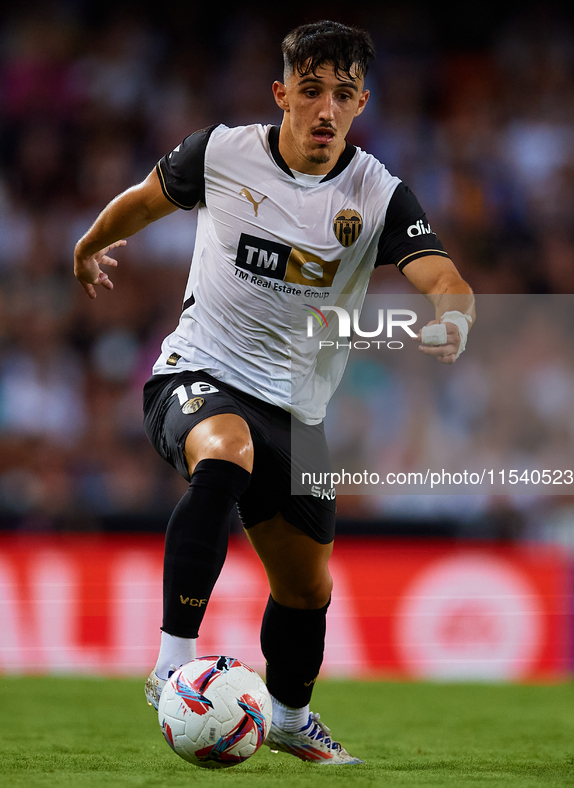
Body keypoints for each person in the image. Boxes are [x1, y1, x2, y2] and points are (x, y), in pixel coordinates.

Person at [74, 20, 474, 765]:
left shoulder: (376, 193)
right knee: (225, 449)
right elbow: (144, 199)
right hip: (195, 375)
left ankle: (289, 718)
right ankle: (171, 665)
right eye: (313, 91)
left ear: (361, 103)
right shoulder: (221, 153)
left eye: (344, 95)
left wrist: (453, 316)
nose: (326, 110)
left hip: (295, 410)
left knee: (305, 588)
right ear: (281, 93)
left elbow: (442, 276)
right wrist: (91, 243)